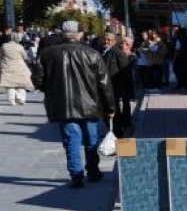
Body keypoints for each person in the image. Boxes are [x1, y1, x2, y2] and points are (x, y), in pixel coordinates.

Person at [31, 20, 115, 188]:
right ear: (80, 34)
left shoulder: (47, 54)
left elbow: (37, 80)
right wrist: (110, 107)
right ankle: (93, 171)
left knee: (71, 140)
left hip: (63, 105)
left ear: (62, 34)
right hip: (90, 104)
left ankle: (76, 175)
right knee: (91, 139)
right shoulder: (92, 53)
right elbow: (104, 83)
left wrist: (53, 89)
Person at [102, 32, 135, 137]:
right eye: (105, 39)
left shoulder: (117, 53)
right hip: (110, 87)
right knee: (111, 110)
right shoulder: (106, 52)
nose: (106, 42)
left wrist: (126, 90)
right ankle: (115, 131)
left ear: (114, 41)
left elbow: (125, 72)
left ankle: (118, 132)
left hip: (116, 87)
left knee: (114, 110)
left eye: (109, 40)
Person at [0, 33, 33, 105]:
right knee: (21, 84)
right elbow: (25, 57)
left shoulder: (4, 46)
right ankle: (20, 98)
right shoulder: (19, 47)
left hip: (7, 66)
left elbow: (1, 56)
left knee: (10, 84)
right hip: (19, 67)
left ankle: (12, 101)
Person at [172, 26, 187, 92]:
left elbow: (176, 51)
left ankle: (180, 84)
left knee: (179, 72)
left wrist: (174, 60)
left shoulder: (179, 41)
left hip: (180, 59)